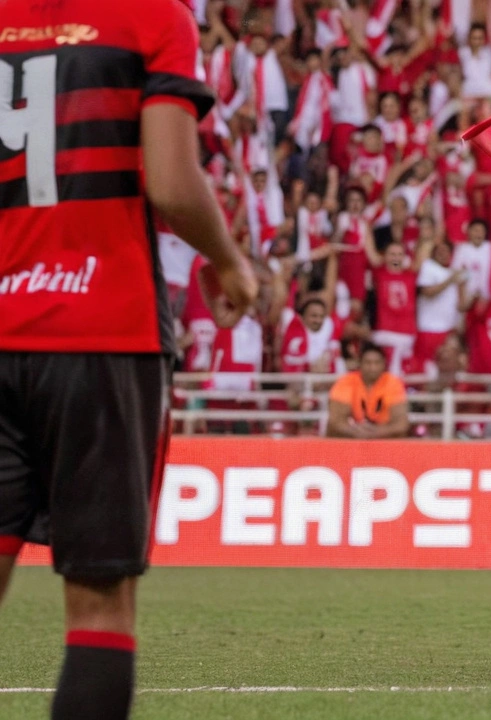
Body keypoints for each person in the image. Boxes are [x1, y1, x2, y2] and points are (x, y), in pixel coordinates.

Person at [0, 0, 258, 717]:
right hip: (102, 333)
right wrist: (233, 266)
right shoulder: (152, 17)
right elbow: (172, 185)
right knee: (100, 608)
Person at [326, 345, 410, 438]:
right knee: (331, 430)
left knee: (401, 434)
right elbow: (335, 421)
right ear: (360, 364)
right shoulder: (346, 382)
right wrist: (356, 431)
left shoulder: (393, 383)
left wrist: (376, 433)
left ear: (384, 364)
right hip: (352, 434)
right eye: (368, 363)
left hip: (383, 435)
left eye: (377, 363)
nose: (372, 368)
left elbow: (401, 424)